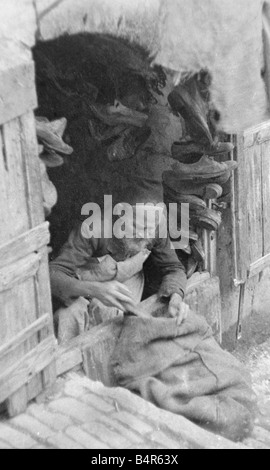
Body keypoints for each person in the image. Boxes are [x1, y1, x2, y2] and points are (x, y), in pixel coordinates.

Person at [50, 194, 188, 344]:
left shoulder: (155, 223)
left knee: (111, 314)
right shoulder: (93, 228)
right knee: (67, 317)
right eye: (136, 226)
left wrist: (176, 296)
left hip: (128, 278)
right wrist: (95, 289)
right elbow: (53, 274)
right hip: (84, 280)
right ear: (121, 212)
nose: (145, 235)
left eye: (150, 228)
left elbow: (173, 267)